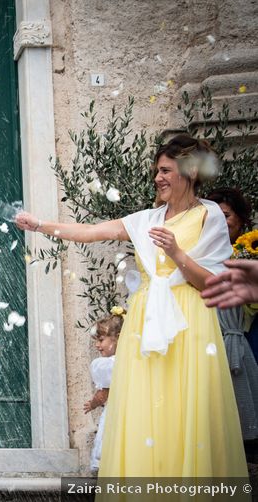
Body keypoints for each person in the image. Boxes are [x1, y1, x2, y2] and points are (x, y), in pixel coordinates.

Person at [15, 134, 247, 478]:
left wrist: (177, 253)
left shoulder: (209, 215)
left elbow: (210, 283)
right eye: (157, 171)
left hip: (190, 322)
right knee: (146, 411)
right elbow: (93, 231)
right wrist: (41, 226)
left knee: (186, 410)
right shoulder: (147, 219)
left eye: (166, 170)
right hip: (145, 322)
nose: (158, 178)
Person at [206, 187, 258, 457]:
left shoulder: (248, 254)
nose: (219, 222)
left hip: (248, 337)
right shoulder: (201, 256)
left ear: (241, 219)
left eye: (225, 215)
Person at [83, 311, 122, 472]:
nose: (97, 345)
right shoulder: (133, 361)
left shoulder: (110, 365)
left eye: (101, 340)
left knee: (111, 444)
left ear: (118, 338)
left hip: (116, 412)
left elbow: (104, 393)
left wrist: (92, 404)